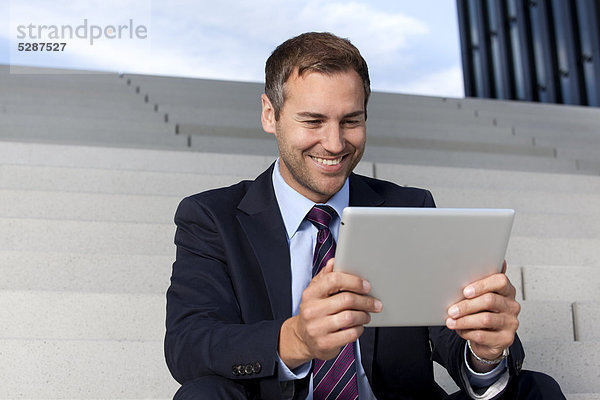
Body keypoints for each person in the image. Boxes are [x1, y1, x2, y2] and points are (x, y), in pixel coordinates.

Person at [165, 32, 565, 399]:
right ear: (270, 115)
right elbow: (189, 344)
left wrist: (484, 352)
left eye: (351, 121)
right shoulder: (211, 217)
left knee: (536, 390)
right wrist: (297, 339)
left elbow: (451, 335)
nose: (335, 143)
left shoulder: (410, 208)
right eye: (313, 120)